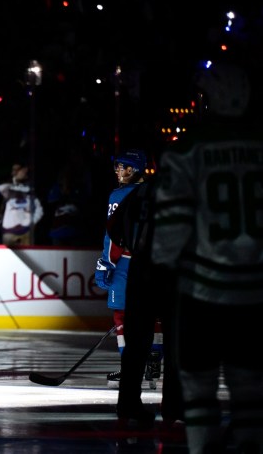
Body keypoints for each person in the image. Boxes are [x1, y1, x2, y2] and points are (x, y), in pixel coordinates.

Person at [151, 61, 263, 453]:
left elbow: (173, 224)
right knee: (249, 387)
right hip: (255, 290)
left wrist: (161, 264)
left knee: (198, 388)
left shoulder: (188, 148)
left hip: (203, 289)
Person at [106, 172, 183, 425]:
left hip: (140, 269)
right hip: (173, 271)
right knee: (176, 344)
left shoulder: (140, 192)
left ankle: (127, 404)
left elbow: (114, 227)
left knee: (136, 343)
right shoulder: (188, 189)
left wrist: (134, 245)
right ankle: (174, 407)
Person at [94, 149, 162, 389]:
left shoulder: (119, 195)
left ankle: (129, 367)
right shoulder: (157, 194)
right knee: (153, 313)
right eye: (117, 166)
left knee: (121, 314)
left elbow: (113, 235)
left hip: (126, 261)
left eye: (123, 167)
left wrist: (106, 263)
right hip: (154, 261)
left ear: (135, 169)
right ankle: (154, 360)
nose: (118, 171)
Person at [0, 164, 44, 246]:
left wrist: (31, 222)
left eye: (17, 169)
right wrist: (15, 179)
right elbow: (1, 188)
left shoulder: (31, 190)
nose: (15, 172)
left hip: (26, 231)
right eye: (14, 170)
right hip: (9, 231)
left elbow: (39, 209)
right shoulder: (9, 188)